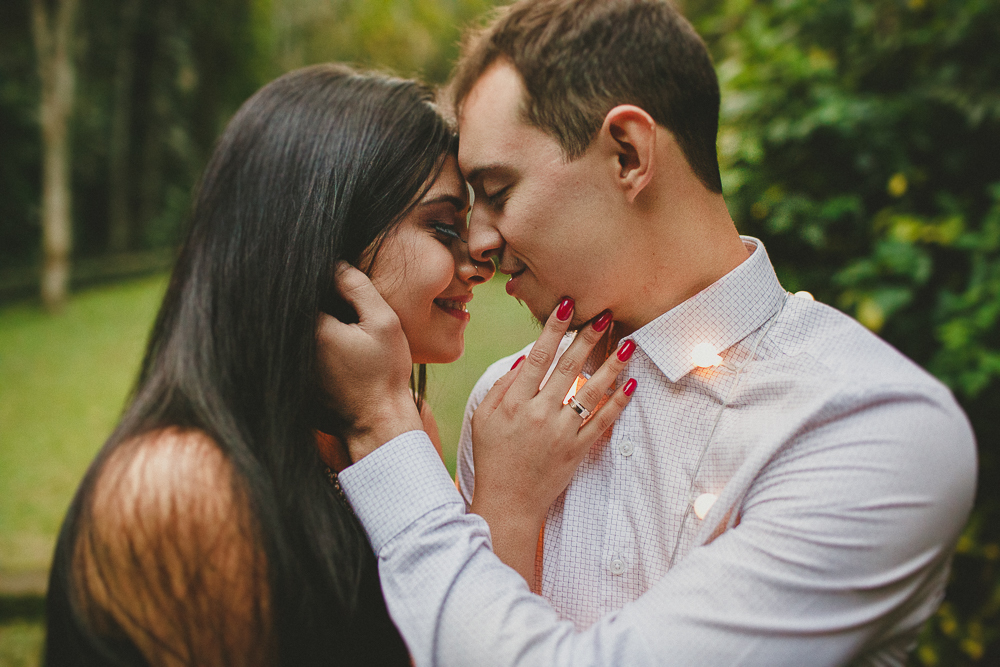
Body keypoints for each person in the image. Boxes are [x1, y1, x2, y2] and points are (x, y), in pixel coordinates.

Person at [314, 0, 979, 665]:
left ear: (629, 154)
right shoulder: (513, 410)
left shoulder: (871, 424)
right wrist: (504, 513)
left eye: (498, 190)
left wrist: (383, 427)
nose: (480, 243)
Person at [43, 63, 502, 665]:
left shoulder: (389, 432)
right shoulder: (184, 490)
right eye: (443, 227)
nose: (479, 261)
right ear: (326, 240)